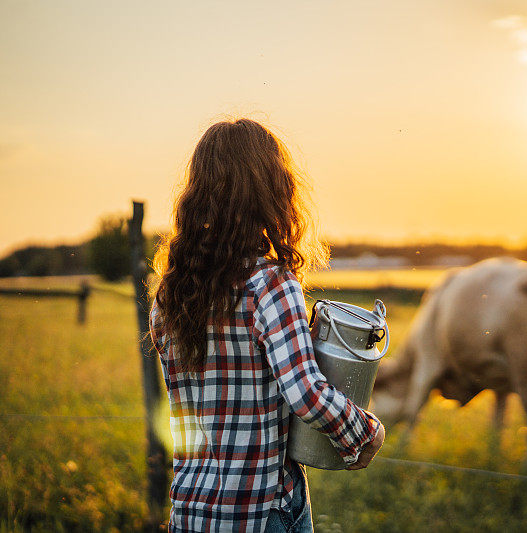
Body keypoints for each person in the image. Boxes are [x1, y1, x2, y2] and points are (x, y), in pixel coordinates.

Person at [148, 118, 385, 532]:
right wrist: (365, 434)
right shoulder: (270, 284)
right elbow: (306, 394)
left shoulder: (170, 299)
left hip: (191, 513)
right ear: (272, 191)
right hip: (261, 512)